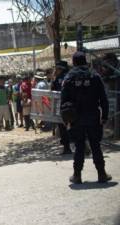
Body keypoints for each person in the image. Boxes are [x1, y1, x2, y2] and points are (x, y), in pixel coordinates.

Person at [61, 52, 112, 184]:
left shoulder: (69, 78)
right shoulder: (95, 76)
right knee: (95, 145)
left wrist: (65, 120)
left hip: (75, 118)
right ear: (85, 61)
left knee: (79, 146)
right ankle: (102, 174)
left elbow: (63, 101)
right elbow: (103, 99)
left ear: (73, 62)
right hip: (93, 117)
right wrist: (104, 116)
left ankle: (77, 175)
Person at [51, 60, 71, 154]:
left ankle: (67, 148)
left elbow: (52, 89)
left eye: (57, 68)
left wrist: (53, 77)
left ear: (60, 69)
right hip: (72, 105)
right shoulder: (70, 76)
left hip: (63, 105)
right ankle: (82, 145)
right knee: (74, 125)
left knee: (63, 127)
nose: (56, 70)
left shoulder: (59, 78)